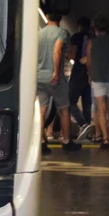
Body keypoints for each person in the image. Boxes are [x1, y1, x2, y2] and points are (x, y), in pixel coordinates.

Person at [37, 12, 79, 152]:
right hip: (55, 78)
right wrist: (55, 71)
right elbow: (57, 50)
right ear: (60, 18)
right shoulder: (62, 32)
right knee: (64, 109)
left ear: (47, 17)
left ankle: (41, 141)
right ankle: (66, 141)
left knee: (41, 111)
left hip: (39, 77)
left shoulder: (39, 33)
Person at [84, 14, 109, 148]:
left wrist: (90, 74)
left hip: (97, 77)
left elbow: (88, 61)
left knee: (101, 108)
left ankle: (105, 138)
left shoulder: (91, 42)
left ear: (95, 28)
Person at [66, 17, 93, 132]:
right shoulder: (93, 38)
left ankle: (83, 125)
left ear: (79, 26)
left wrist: (66, 56)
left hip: (79, 70)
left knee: (70, 101)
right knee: (87, 103)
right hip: (91, 71)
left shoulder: (76, 37)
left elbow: (72, 55)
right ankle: (88, 130)